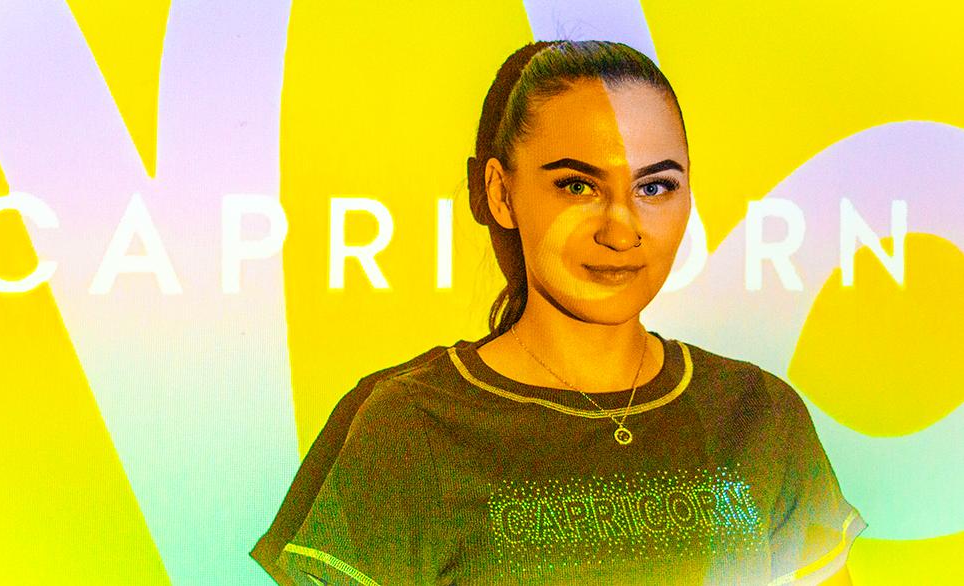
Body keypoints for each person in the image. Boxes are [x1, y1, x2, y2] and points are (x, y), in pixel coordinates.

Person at [250, 40, 866, 585]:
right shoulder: (410, 427)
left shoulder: (758, 415)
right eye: (578, 186)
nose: (621, 230)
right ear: (501, 193)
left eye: (654, 187)